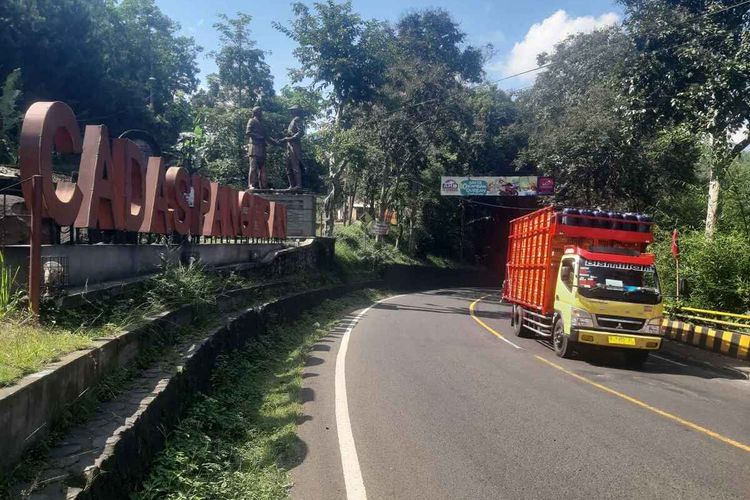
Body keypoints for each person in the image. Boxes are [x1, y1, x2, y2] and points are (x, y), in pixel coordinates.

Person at [245, 106, 276, 189]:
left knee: (262, 169)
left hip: (262, 148)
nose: (261, 113)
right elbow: (248, 132)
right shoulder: (252, 120)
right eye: (260, 111)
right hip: (254, 147)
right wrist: (259, 137)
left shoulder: (262, 124)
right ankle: (251, 184)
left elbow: (266, 136)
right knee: (253, 167)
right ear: (255, 112)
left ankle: (264, 186)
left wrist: (276, 142)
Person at [280, 105, 304, 191]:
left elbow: (301, 132)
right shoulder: (292, 120)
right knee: (288, 166)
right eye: (291, 110)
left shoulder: (297, 119)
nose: (291, 112)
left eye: (293, 110)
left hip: (294, 146)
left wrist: (289, 138)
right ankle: (292, 185)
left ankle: (298, 185)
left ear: (296, 111)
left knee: (295, 165)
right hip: (289, 146)